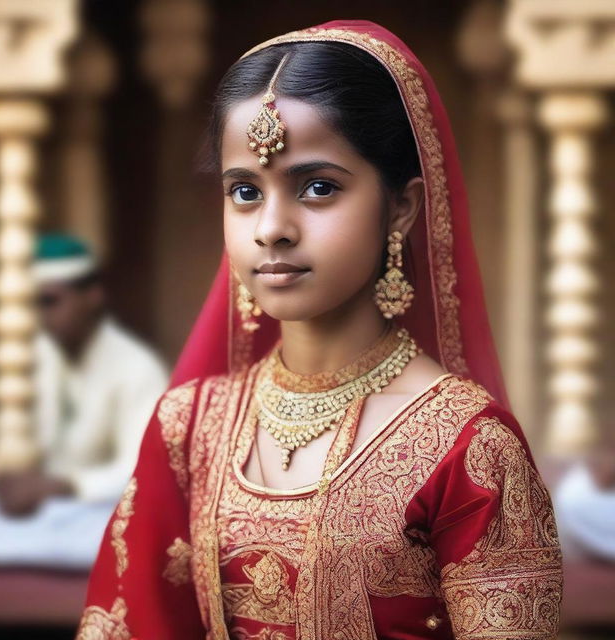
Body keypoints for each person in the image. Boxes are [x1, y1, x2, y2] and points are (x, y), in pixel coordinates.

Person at [77, 20, 562, 639]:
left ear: (402, 206)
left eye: (317, 187)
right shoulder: (186, 428)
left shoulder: (469, 449)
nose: (271, 228)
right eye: (246, 191)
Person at [0, 233, 168, 568]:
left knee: (125, 533)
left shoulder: (137, 368)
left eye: (49, 301)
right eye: (30, 304)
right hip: (40, 508)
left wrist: (63, 486)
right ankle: (10, 546)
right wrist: (5, 479)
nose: (38, 315)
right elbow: (14, 451)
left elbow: (141, 472)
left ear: (91, 296)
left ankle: (5, 550)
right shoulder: (33, 358)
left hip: (90, 508)